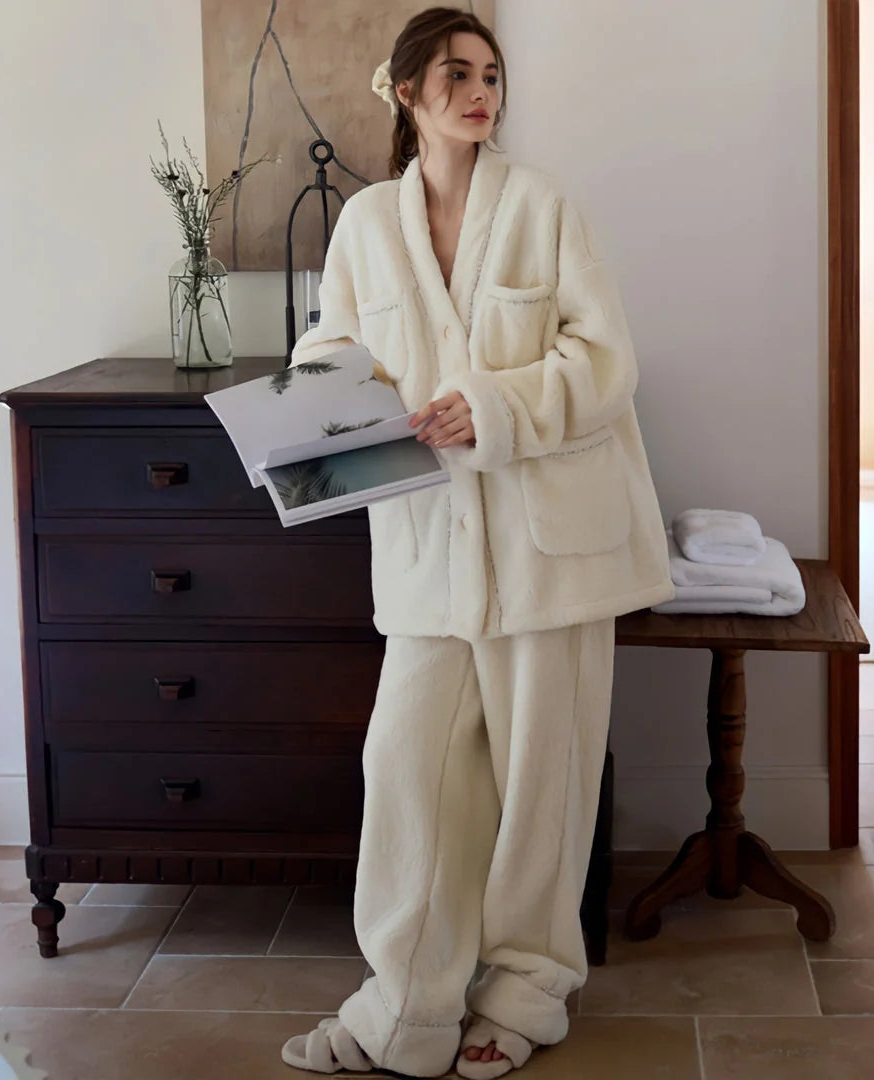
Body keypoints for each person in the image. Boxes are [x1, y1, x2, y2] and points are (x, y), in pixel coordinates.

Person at [280, 6, 674, 1077]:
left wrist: (492, 408)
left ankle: (524, 997)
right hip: (428, 549)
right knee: (406, 771)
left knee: (542, 784)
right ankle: (403, 1008)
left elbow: (605, 361)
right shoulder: (366, 224)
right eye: (455, 72)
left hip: (550, 545)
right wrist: (311, 403)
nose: (479, 89)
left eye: (490, 72)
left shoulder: (546, 208)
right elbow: (335, 349)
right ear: (404, 91)